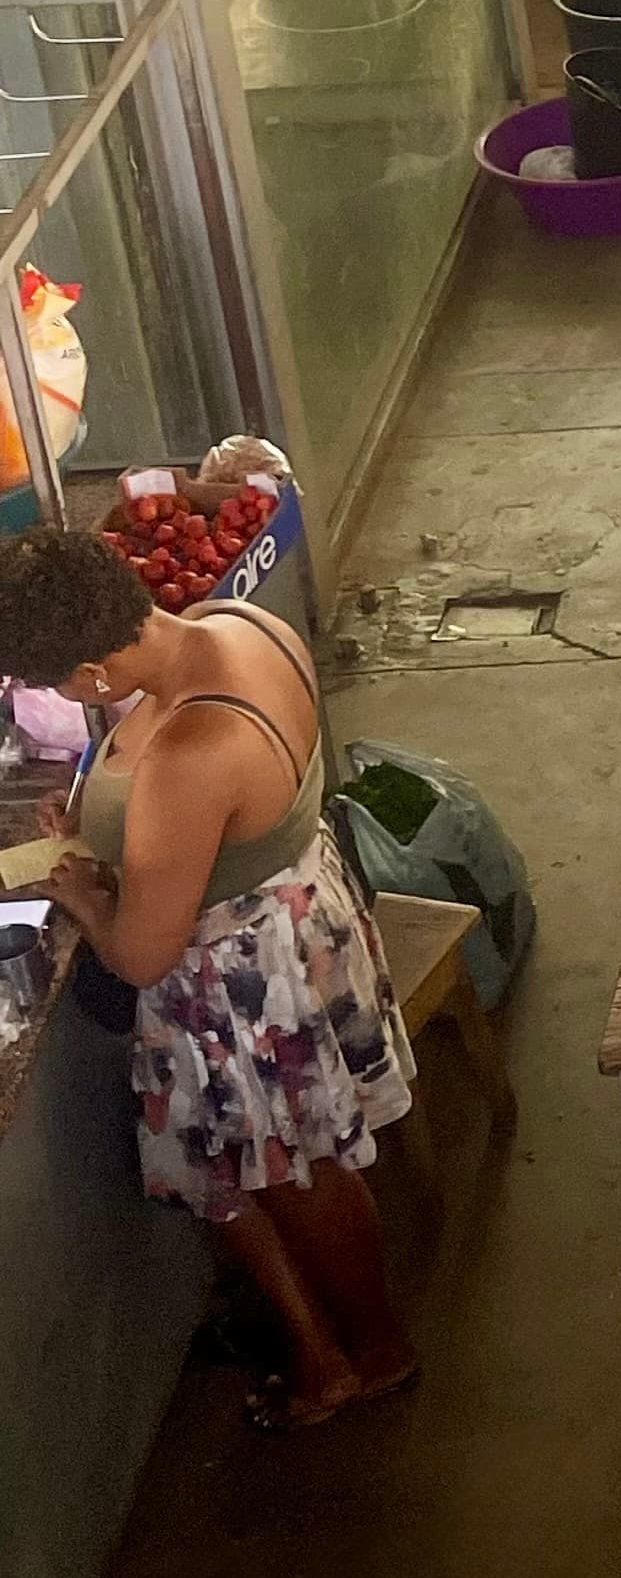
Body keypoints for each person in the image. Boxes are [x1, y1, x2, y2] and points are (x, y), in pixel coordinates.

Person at [0, 533, 418, 1428]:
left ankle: (378, 1351)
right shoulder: (237, 623)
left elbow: (144, 955)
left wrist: (81, 894)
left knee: (292, 1174)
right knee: (286, 1162)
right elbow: (212, 812)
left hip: (241, 981)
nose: (68, 701)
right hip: (302, 913)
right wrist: (102, 814)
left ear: (92, 671)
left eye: (63, 687)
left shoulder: (190, 749)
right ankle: (337, 1345)